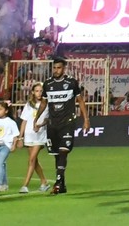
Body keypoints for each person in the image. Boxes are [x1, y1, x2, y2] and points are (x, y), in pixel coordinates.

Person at [42, 54, 88, 195]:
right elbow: (44, 103)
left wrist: (86, 120)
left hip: (67, 123)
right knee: (57, 154)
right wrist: (37, 119)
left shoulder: (72, 83)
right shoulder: (47, 84)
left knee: (63, 151)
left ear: (64, 69)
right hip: (52, 124)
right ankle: (62, 184)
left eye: (59, 68)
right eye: (54, 67)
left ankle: (58, 182)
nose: (56, 70)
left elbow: (80, 101)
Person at [18, 82, 52, 193]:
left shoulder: (46, 104)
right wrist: (20, 137)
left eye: (41, 91)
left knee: (31, 159)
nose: (39, 93)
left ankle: (25, 185)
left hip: (40, 135)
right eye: (37, 91)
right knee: (34, 161)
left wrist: (40, 125)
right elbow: (24, 121)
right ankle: (44, 182)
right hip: (29, 135)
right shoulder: (29, 105)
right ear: (33, 92)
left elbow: (47, 119)